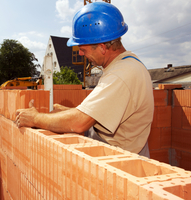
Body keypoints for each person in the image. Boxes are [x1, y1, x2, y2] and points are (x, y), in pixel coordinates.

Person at [15, 2, 154, 157]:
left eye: (83, 49)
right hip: (122, 153)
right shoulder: (126, 64)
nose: (80, 54)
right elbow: (100, 115)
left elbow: (80, 123)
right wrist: (71, 112)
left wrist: (35, 118)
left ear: (102, 47)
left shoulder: (121, 74)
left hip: (123, 163)